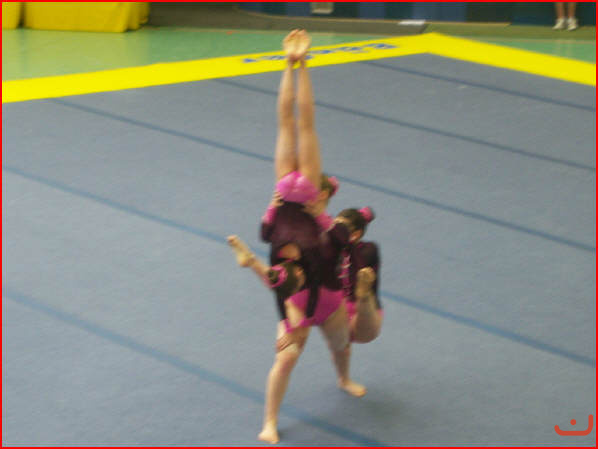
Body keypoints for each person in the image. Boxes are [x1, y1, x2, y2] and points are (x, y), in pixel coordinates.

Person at [228, 30, 364, 444]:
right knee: (285, 360)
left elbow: (272, 237)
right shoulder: (303, 239)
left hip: (322, 294)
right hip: (302, 296)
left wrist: (302, 212)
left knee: (341, 344)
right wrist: (290, 324)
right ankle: (269, 421)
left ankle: (343, 379)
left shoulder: (319, 227)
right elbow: (274, 265)